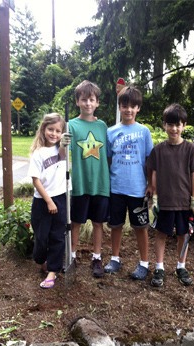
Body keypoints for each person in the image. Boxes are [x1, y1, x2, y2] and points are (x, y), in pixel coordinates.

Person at [146, 103, 194, 287]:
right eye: (170, 124)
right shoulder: (158, 150)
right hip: (164, 202)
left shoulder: (191, 149)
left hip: (184, 203)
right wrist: (154, 196)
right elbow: (154, 173)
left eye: (178, 124)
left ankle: (181, 266)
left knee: (183, 235)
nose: (174, 129)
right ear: (164, 125)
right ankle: (159, 267)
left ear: (184, 126)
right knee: (161, 234)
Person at [105, 86, 153, 280]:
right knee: (115, 225)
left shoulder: (144, 132)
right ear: (120, 107)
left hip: (137, 189)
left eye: (133, 106)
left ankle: (144, 263)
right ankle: (115, 258)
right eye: (125, 105)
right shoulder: (111, 132)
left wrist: (150, 184)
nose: (129, 110)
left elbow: (149, 160)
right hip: (116, 188)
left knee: (140, 227)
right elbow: (109, 159)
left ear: (138, 108)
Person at [68, 80, 110, 278]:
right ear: (78, 101)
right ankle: (72, 255)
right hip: (80, 183)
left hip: (100, 184)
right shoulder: (71, 126)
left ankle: (96, 257)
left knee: (98, 222)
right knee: (76, 222)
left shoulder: (102, 126)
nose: (88, 104)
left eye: (91, 100)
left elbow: (109, 155)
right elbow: (62, 152)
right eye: (84, 100)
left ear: (97, 103)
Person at [27, 113, 71, 289]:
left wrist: (65, 142)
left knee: (57, 236)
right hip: (42, 201)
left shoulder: (61, 149)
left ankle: (53, 271)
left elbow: (62, 153)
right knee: (41, 237)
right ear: (43, 129)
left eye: (58, 131)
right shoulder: (38, 154)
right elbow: (35, 180)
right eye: (51, 129)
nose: (54, 133)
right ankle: (41, 259)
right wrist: (49, 202)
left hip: (61, 197)